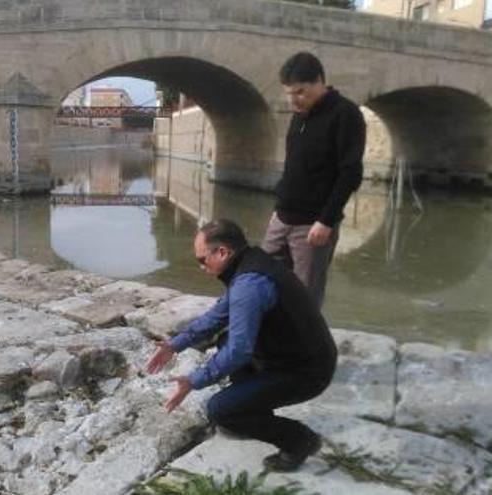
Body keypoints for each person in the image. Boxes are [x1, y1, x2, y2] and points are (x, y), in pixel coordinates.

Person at [145, 219, 337, 472]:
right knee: (225, 339)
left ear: (223, 252)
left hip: (308, 372)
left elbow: (239, 351)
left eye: (202, 260)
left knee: (220, 410)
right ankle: (255, 411)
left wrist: (193, 381)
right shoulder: (251, 265)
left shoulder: (249, 285)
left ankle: (299, 440)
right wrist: (174, 345)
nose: (202, 267)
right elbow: (216, 317)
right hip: (296, 355)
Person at [263, 52, 365, 308]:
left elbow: (350, 173)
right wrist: (278, 209)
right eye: (289, 93)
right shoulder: (299, 115)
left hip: (313, 227)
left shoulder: (346, 114)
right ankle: (274, 338)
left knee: (305, 296)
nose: (293, 99)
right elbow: (293, 166)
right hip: (282, 218)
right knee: (262, 278)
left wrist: (326, 220)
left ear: (320, 81)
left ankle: (304, 346)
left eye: (300, 92)